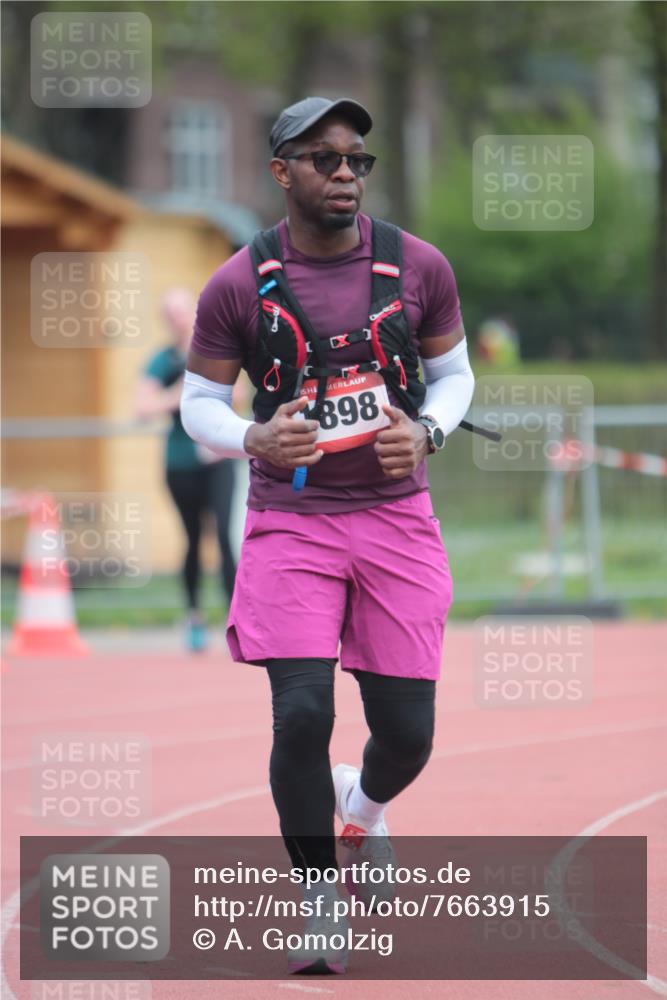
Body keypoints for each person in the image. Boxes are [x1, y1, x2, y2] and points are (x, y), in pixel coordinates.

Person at [180, 97, 475, 974]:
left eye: (356, 161)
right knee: (302, 713)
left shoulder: (417, 266)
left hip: (393, 518)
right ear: (282, 172)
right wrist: (252, 436)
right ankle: (317, 900)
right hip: (290, 520)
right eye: (323, 159)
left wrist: (427, 431)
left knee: (408, 733)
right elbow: (201, 402)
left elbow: (453, 377)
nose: (344, 173)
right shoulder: (238, 282)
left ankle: (366, 808)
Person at [135, 288, 238, 652]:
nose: (179, 318)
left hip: (217, 459)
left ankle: (235, 619)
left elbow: (237, 394)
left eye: (183, 311)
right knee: (194, 539)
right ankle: (194, 615)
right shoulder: (162, 361)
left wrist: (193, 392)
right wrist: (181, 393)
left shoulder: (217, 350)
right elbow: (142, 407)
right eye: (171, 312)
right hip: (180, 464)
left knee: (226, 537)